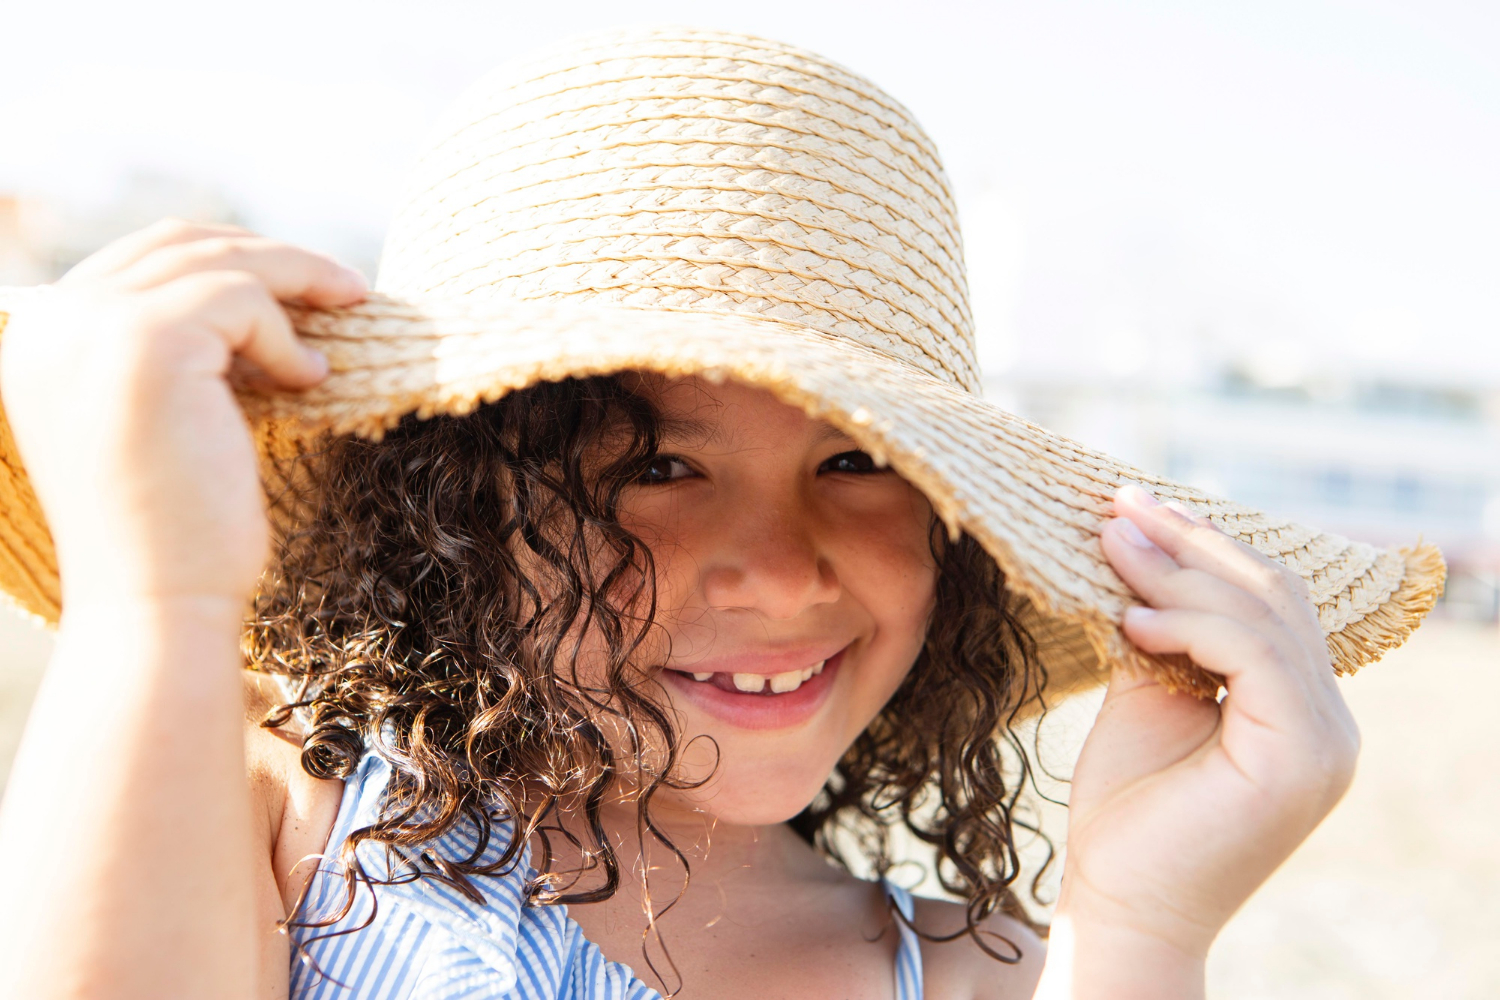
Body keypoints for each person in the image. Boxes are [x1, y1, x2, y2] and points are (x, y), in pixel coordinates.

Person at [0, 28, 1437, 1000]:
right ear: (445, 517)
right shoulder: (297, 831)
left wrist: (1142, 928)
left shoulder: (990, 968)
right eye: (654, 469)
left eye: (860, 464)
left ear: (958, 536)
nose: (775, 569)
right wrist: (153, 600)